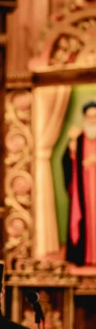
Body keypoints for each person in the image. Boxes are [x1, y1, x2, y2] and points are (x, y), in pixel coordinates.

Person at [63, 100, 96, 266]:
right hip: (84, 191)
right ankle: (85, 257)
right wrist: (72, 151)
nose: (92, 120)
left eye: (95, 117)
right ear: (84, 118)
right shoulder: (79, 138)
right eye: (89, 116)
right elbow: (68, 163)